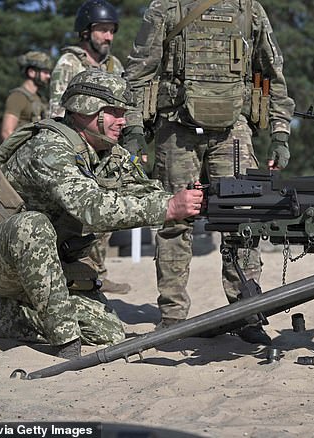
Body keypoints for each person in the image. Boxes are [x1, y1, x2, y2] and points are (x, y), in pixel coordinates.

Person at [0, 70, 204, 359]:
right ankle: (66, 344)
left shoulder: (109, 153)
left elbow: (143, 191)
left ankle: (0, 313)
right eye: (113, 111)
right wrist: (168, 208)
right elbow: (91, 208)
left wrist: (194, 201)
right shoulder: (48, 148)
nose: (123, 120)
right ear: (86, 109)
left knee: (107, 332)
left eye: (123, 112)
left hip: (48, 264)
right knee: (32, 225)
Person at [123, 0, 294, 345]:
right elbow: (139, 71)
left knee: (243, 222)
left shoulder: (249, 10)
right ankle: (172, 316)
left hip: (233, 131)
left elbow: (273, 74)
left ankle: (247, 311)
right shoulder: (166, 8)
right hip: (176, 128)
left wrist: (280, 133)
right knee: (174, 221)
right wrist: (134, 130)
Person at [49, 0, 129, 294]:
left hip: (106, 150)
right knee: (74, 219)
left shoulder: (114, 65)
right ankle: (70, 273)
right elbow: (55, 113)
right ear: (85, 32)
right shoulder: (68, 64)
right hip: (75, 151)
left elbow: (123, 108)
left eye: (111, 31)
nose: (108, 37)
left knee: (105, 217)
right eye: (102, 30)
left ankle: (97, 273)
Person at [0, 51, 53, 141]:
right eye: (45, 72)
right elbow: (6, 132)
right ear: (31, 72)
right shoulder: (18, 97)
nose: (48, 76)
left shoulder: (40, 99)